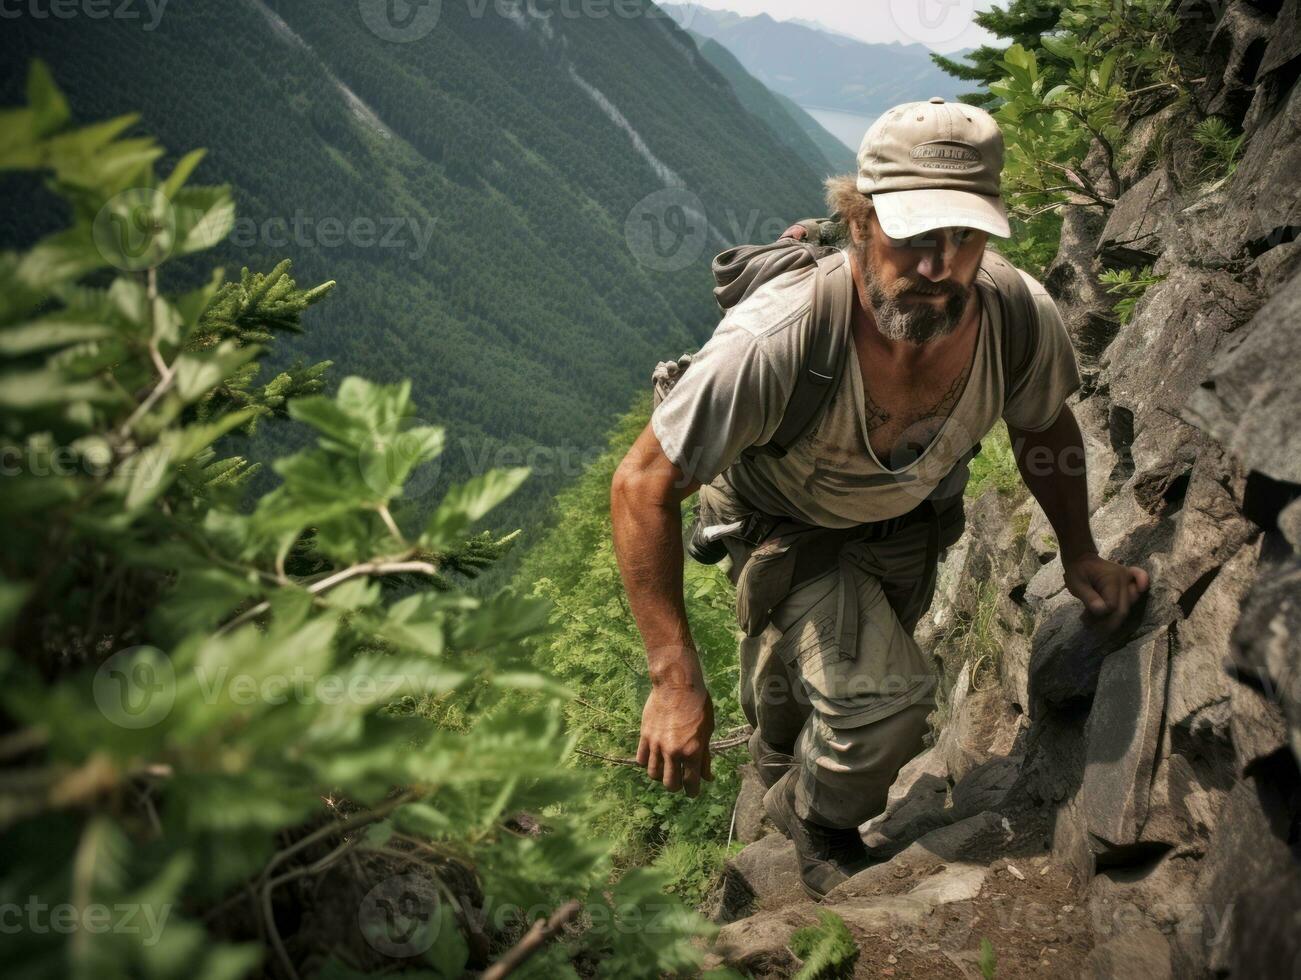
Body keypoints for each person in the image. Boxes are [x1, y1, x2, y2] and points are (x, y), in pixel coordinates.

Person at [609, 97, 1150, 899]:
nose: (940, 265)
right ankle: (816, 827)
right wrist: (674, 680)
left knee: (809, 700)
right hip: (783, 530)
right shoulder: (777, 341)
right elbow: (641, 484)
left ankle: (785, 779)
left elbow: (1043, 429)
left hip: (909, 530)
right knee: (886, 704)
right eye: (915, 235)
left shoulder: (1013, 317)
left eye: (963, 236)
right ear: (858, 220)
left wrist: (1080, 556)